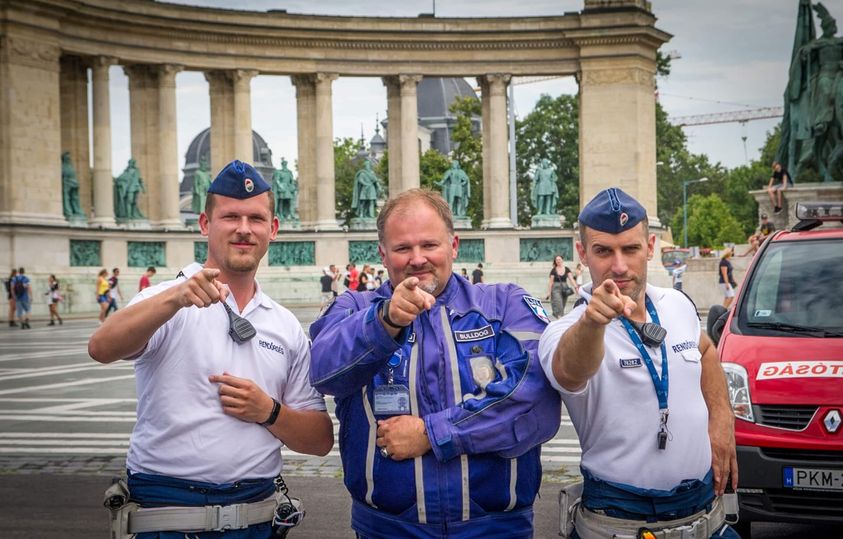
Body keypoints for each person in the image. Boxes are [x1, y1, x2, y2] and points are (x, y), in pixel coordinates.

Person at [88, 159, 333, 538]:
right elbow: (101, 347)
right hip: (165, 512)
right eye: (230, 217)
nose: (244, 230)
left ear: (273, 229)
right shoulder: (164, 300)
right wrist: (175, 299)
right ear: (205, 224)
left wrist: (268, 411)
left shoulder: (285, 325)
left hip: (255, 515)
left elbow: (318, 441)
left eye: (255, 219)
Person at [309, 188, 561, 538]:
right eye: (402, 248)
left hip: (496, 528)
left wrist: (433, 434)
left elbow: (537, 403)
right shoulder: (354, 307)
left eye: (429, 245)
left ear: (454, 246)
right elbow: (322, 372)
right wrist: (384, 322)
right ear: (382, 254)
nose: (417, 259)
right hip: (388, 529)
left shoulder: (505, 304)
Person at [538, 187, 739, 539]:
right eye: (603, 251)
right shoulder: (566, 329)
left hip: (707, 516)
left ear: (650, 247)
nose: (619, 266)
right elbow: (570, 371)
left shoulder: (676, 303)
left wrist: (722, 418)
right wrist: (592, 323)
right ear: (582, 253)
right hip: (620, 521)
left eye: (630, 248)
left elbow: (705, 350)